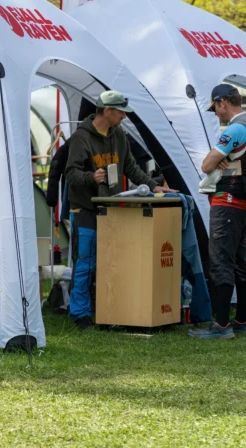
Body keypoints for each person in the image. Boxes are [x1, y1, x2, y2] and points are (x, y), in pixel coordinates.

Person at [64, 91, 174, 329]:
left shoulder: (120, 135)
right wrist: (91, 177)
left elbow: (131, 168)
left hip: (112, 208)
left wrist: (154, 186)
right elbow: (70, 174)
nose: (124, 116)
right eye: (121, 112)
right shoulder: (81, 137)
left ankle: (109, 309)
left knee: (111, 261)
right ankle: (80, 313)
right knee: (85, 263)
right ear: (107, 111)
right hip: (85, 209)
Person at [190, 84, 246, 340]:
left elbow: (206, 165)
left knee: (221, 262)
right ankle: (243, 320)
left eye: (215, 108)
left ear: (223, 103)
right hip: (240, 202)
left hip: (226, 202)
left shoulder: (235, 129)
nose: (216, 114)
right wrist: (226, 161)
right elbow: (237, 164)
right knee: (240, 262)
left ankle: (221, 325)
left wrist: (218, 160)